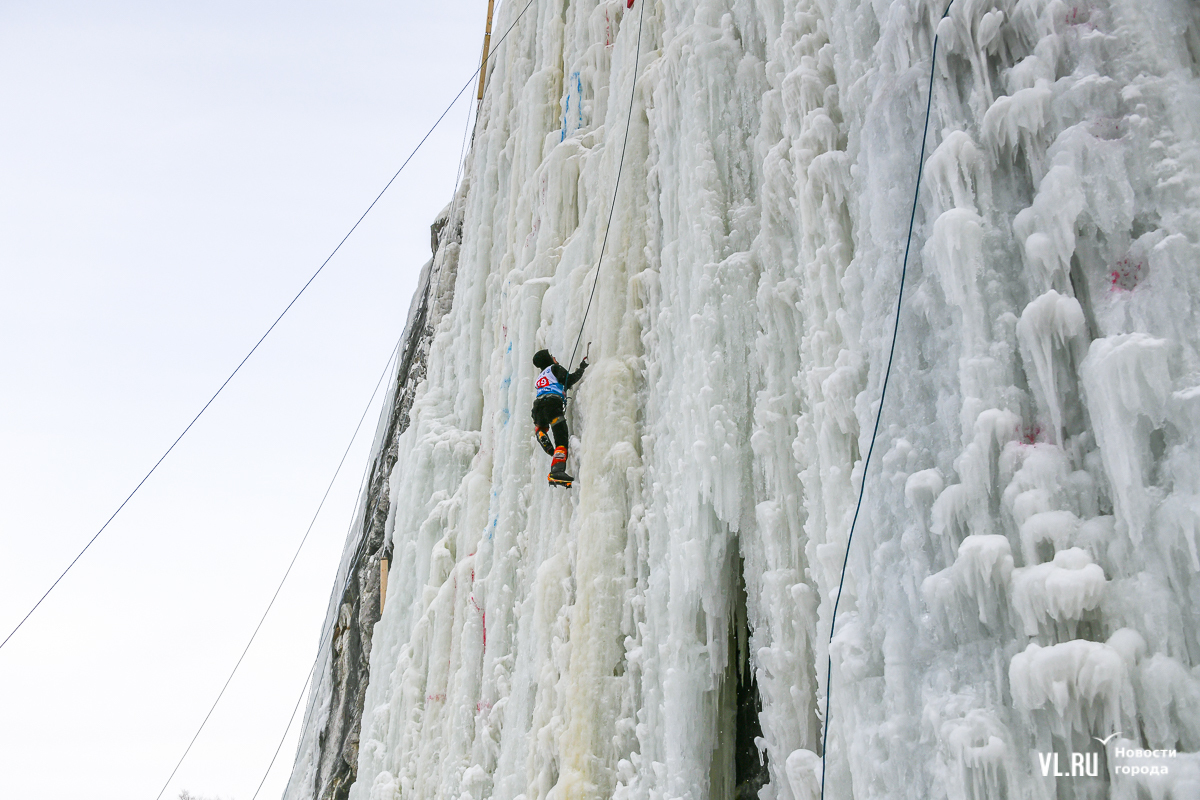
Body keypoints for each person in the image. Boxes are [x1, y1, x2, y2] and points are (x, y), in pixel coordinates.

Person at [530, 348, 588, 485]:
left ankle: (541, 433)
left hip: (538, 408)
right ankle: (556, 471)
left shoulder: (540, 378)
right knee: (561, 439)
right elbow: (568, 380)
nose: (554, 356)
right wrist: (582, 368)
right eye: (551, 356)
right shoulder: (554, 368)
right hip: (552, 405)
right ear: (548, 360)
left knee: (541, 425)